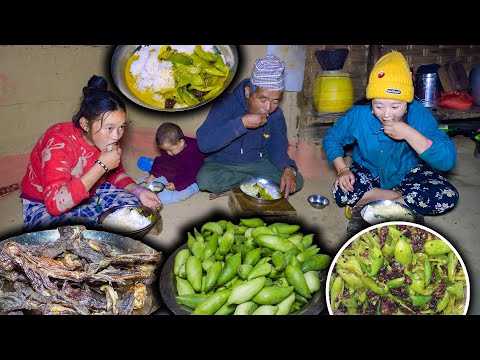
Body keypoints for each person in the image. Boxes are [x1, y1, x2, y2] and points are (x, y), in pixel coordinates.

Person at [322, 51, 459, 216]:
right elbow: (332, 138)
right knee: (341, 192)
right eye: (378, 106)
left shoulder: (418, 114)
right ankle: (399, 200)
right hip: (368, 169)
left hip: (407, 172)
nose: (386, 114)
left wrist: (409, 133)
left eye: (395, 107)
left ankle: (375, 204)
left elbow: (447, 161)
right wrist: (342, 170)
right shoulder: (360, 114)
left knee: (446, 196)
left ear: (408, 103)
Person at [20, 75, 162, 231]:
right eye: (109, 128)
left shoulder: (108, 137)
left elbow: (114, 173)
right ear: (85, 124)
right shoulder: (58, 143)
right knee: (69, 239)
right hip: (44, 203)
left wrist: (138, 190)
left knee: (135, 212)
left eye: (121, 127)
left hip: (91, 191)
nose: (116, 135)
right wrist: (101, 166)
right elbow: (54, 205)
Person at [196, 54, 303, 199]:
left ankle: (244, 185)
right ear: (248, 92)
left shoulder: (275, 115)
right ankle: (254, 184)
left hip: (257, 163)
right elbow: (204, 144)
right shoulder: (226, 103)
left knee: (296, 181)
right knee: (204, 180)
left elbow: (277, 149)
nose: (268, 107)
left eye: (275, 101)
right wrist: (241, 123)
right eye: (262, 99)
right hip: (223, 163)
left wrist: (288, 169)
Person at [138, 122, 204, 205]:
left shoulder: (192, 154)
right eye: (165, 150)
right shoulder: (174, 147)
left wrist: (176, 184)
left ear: (181, 142)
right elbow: (161, 160)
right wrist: (153, 174)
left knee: (181, 194)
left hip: (190, 178)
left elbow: (190, 175)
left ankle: (193, 189)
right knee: (147, 180)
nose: (168, 153)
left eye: (170, 150)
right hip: (175, 171)